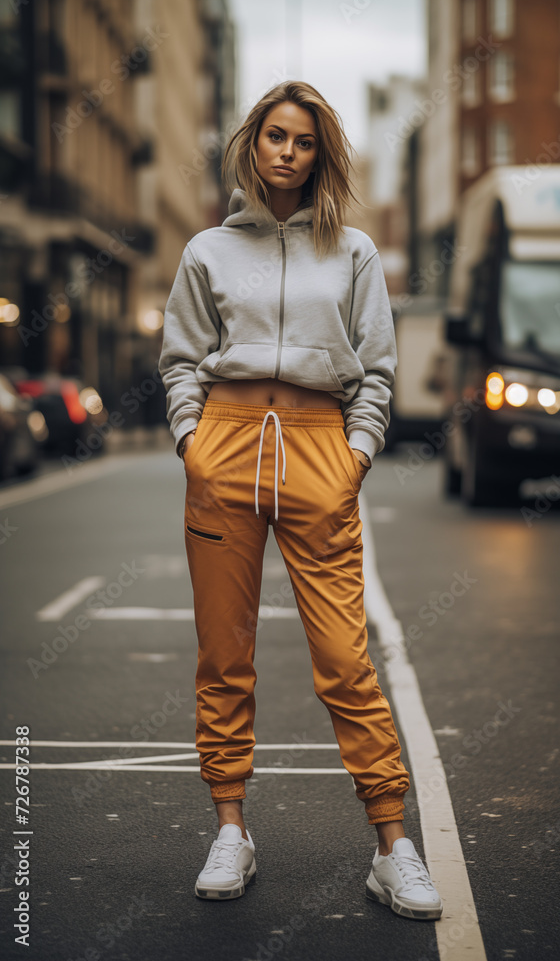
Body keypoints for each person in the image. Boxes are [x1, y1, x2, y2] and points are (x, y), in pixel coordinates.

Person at [158, 81, 442, 920]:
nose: (287, 151)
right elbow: (181, 358)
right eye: (276, 136)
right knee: (224, 653)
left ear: (321, 155)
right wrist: (192, 445)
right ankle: (231, 830)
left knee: (346, 659)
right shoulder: (207, 250)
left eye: (304, 141)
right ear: (253, 145)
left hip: (320, 447)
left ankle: (392, 845)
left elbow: (378, 370)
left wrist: (353, 455)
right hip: (227, 445)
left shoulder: (351, 251)